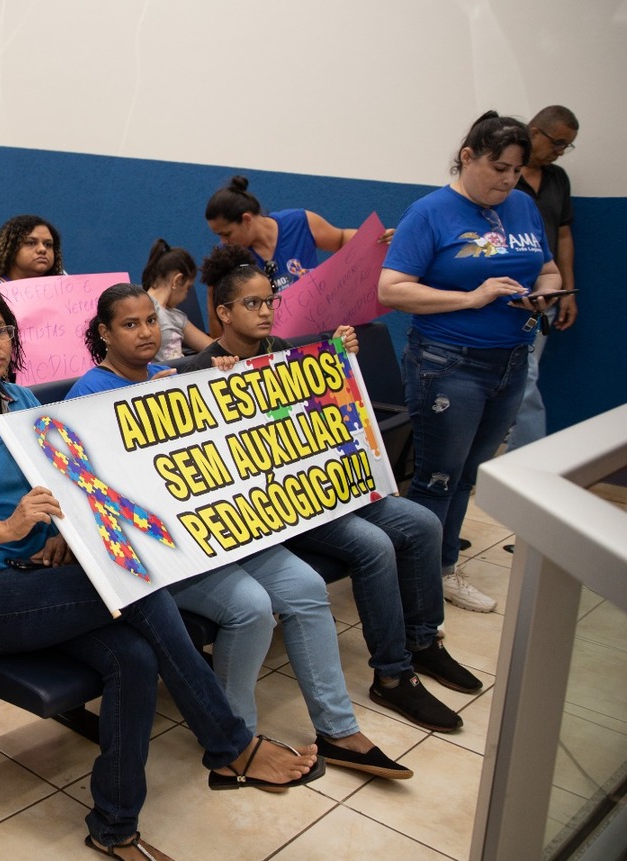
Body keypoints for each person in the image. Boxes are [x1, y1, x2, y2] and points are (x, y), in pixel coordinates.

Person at [0, 281, 321, 857]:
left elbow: (67, 485)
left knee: (134, 657)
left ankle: (114, 827)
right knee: (139, 587)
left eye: (0, 330)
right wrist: (9, 529)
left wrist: (63, 535)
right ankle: (229, 744)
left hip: (44, 576)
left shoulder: (21, 403)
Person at [68, 283, 420, 773]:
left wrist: (224, 389)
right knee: (251, 606)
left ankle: (339, 730)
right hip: (163, 551)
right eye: (130, 324)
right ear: (105, 333)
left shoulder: (169, 375)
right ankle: (237, 741)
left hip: (219, 529)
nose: (146, 332)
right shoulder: (86, 395)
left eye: (151, 320)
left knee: (307, 586)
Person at [183, 246, 481, 728]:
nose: (265, 312)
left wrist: (340, 360)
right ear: (222, 312)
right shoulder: (199, 371)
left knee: (423, 523)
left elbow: (326, 418)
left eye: (269, 302)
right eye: (251, 304)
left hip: (328, 488)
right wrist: (214, 392)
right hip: (278, 507)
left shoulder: (285, 354)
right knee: (374, 545)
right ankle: (392, 675)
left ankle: (423, 641)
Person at [379, 111, 562, 614]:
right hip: (448, 362)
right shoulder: (431, 212)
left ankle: (440, 568)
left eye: (516, 170)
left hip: (510, 361)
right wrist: (471, 297)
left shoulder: (522, 206)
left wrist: (545, 295)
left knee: (465, 476)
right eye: (498, 167)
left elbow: (546, 268)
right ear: (468, 157)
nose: (508, 180)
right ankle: (413, 585)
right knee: (436, 476)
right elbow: (391, 289)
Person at [203, 176, 389, 327]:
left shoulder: (300, 222)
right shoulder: (225, 258)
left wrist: (382, 239)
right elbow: (216, 316)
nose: (223, 242)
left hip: (320, 329)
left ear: (246, 219)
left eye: (226, 234)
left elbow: (341, 239)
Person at [505, 105, 579, 456]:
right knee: (526, 378)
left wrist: (566, 289)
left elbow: (563, 236)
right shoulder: (503, 177)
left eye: (567, 146)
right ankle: (529, 462)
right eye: (558, 142)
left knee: (524, 377)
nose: (560, 151)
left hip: (546, 294)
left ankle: (514, 459)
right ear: (534, 132)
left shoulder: (557, 178)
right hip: (509, 295)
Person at [140, 238, 211, 360]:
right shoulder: (141, 308)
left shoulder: (177, 316)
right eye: (187, 288)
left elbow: (212, 347)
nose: (186, 296)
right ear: (177, 280)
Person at [0, 214, 63, 284]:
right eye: (31, 243)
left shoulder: (63, 290)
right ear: (11, 249)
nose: (42, 249)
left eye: (48, 245)